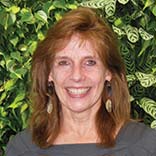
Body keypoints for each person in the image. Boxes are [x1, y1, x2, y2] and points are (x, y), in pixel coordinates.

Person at [6, 7, 156, 156]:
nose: (77, 76)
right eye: (64, 62)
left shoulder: (146, 146)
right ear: (49, 73)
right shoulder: (22, 149)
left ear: (108, 72)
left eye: (90, 62)